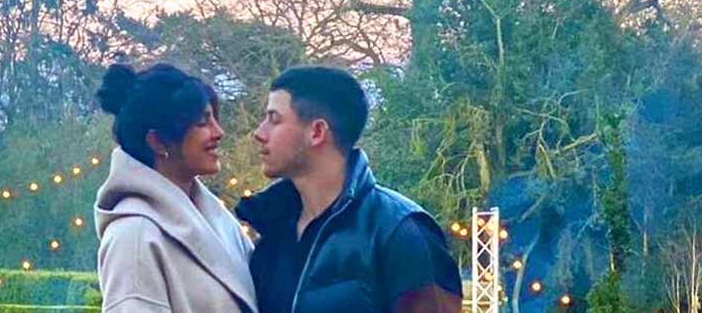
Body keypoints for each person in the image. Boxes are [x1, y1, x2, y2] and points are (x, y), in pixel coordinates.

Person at [236, 66, 463, 313]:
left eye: (274, 119)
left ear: (317, 132)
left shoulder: (399, 231)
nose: (259, 133)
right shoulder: (272, 233)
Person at [93, 62, 258, 313]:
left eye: (214, 119)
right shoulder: (134, 236)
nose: (219, 132)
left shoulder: (220, 220)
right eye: (202, 122)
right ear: (158, 142)